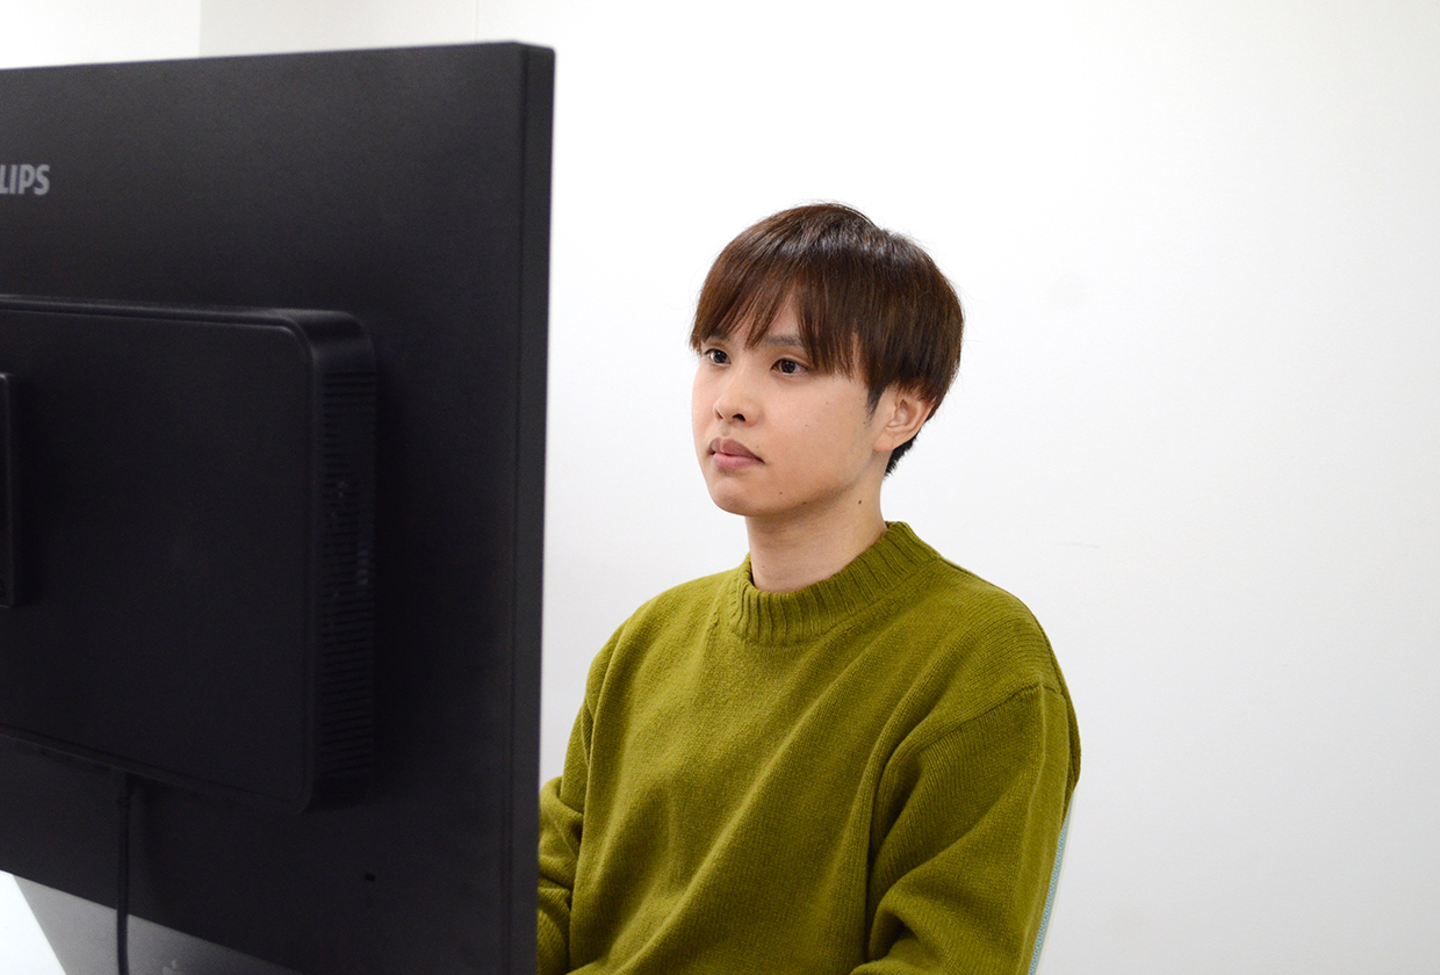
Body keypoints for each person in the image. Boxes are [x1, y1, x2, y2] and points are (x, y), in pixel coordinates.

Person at [537, 203, 1079, 974]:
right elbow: (541, 894)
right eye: (717, 354)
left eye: (787, 366)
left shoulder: (983, 660)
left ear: (902, 409)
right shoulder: (647, 639)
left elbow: (946, 958)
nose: (729, 399)